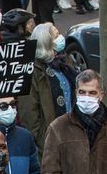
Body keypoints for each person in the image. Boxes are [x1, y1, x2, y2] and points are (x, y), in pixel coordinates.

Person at [18, 22, 74, 153]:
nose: (61, 37)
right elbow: (28, 113)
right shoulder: (33, 72)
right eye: (56, 35)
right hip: (49, 141)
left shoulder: (64, 64)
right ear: (46, 42)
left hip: (71, 134)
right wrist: (39, 140)